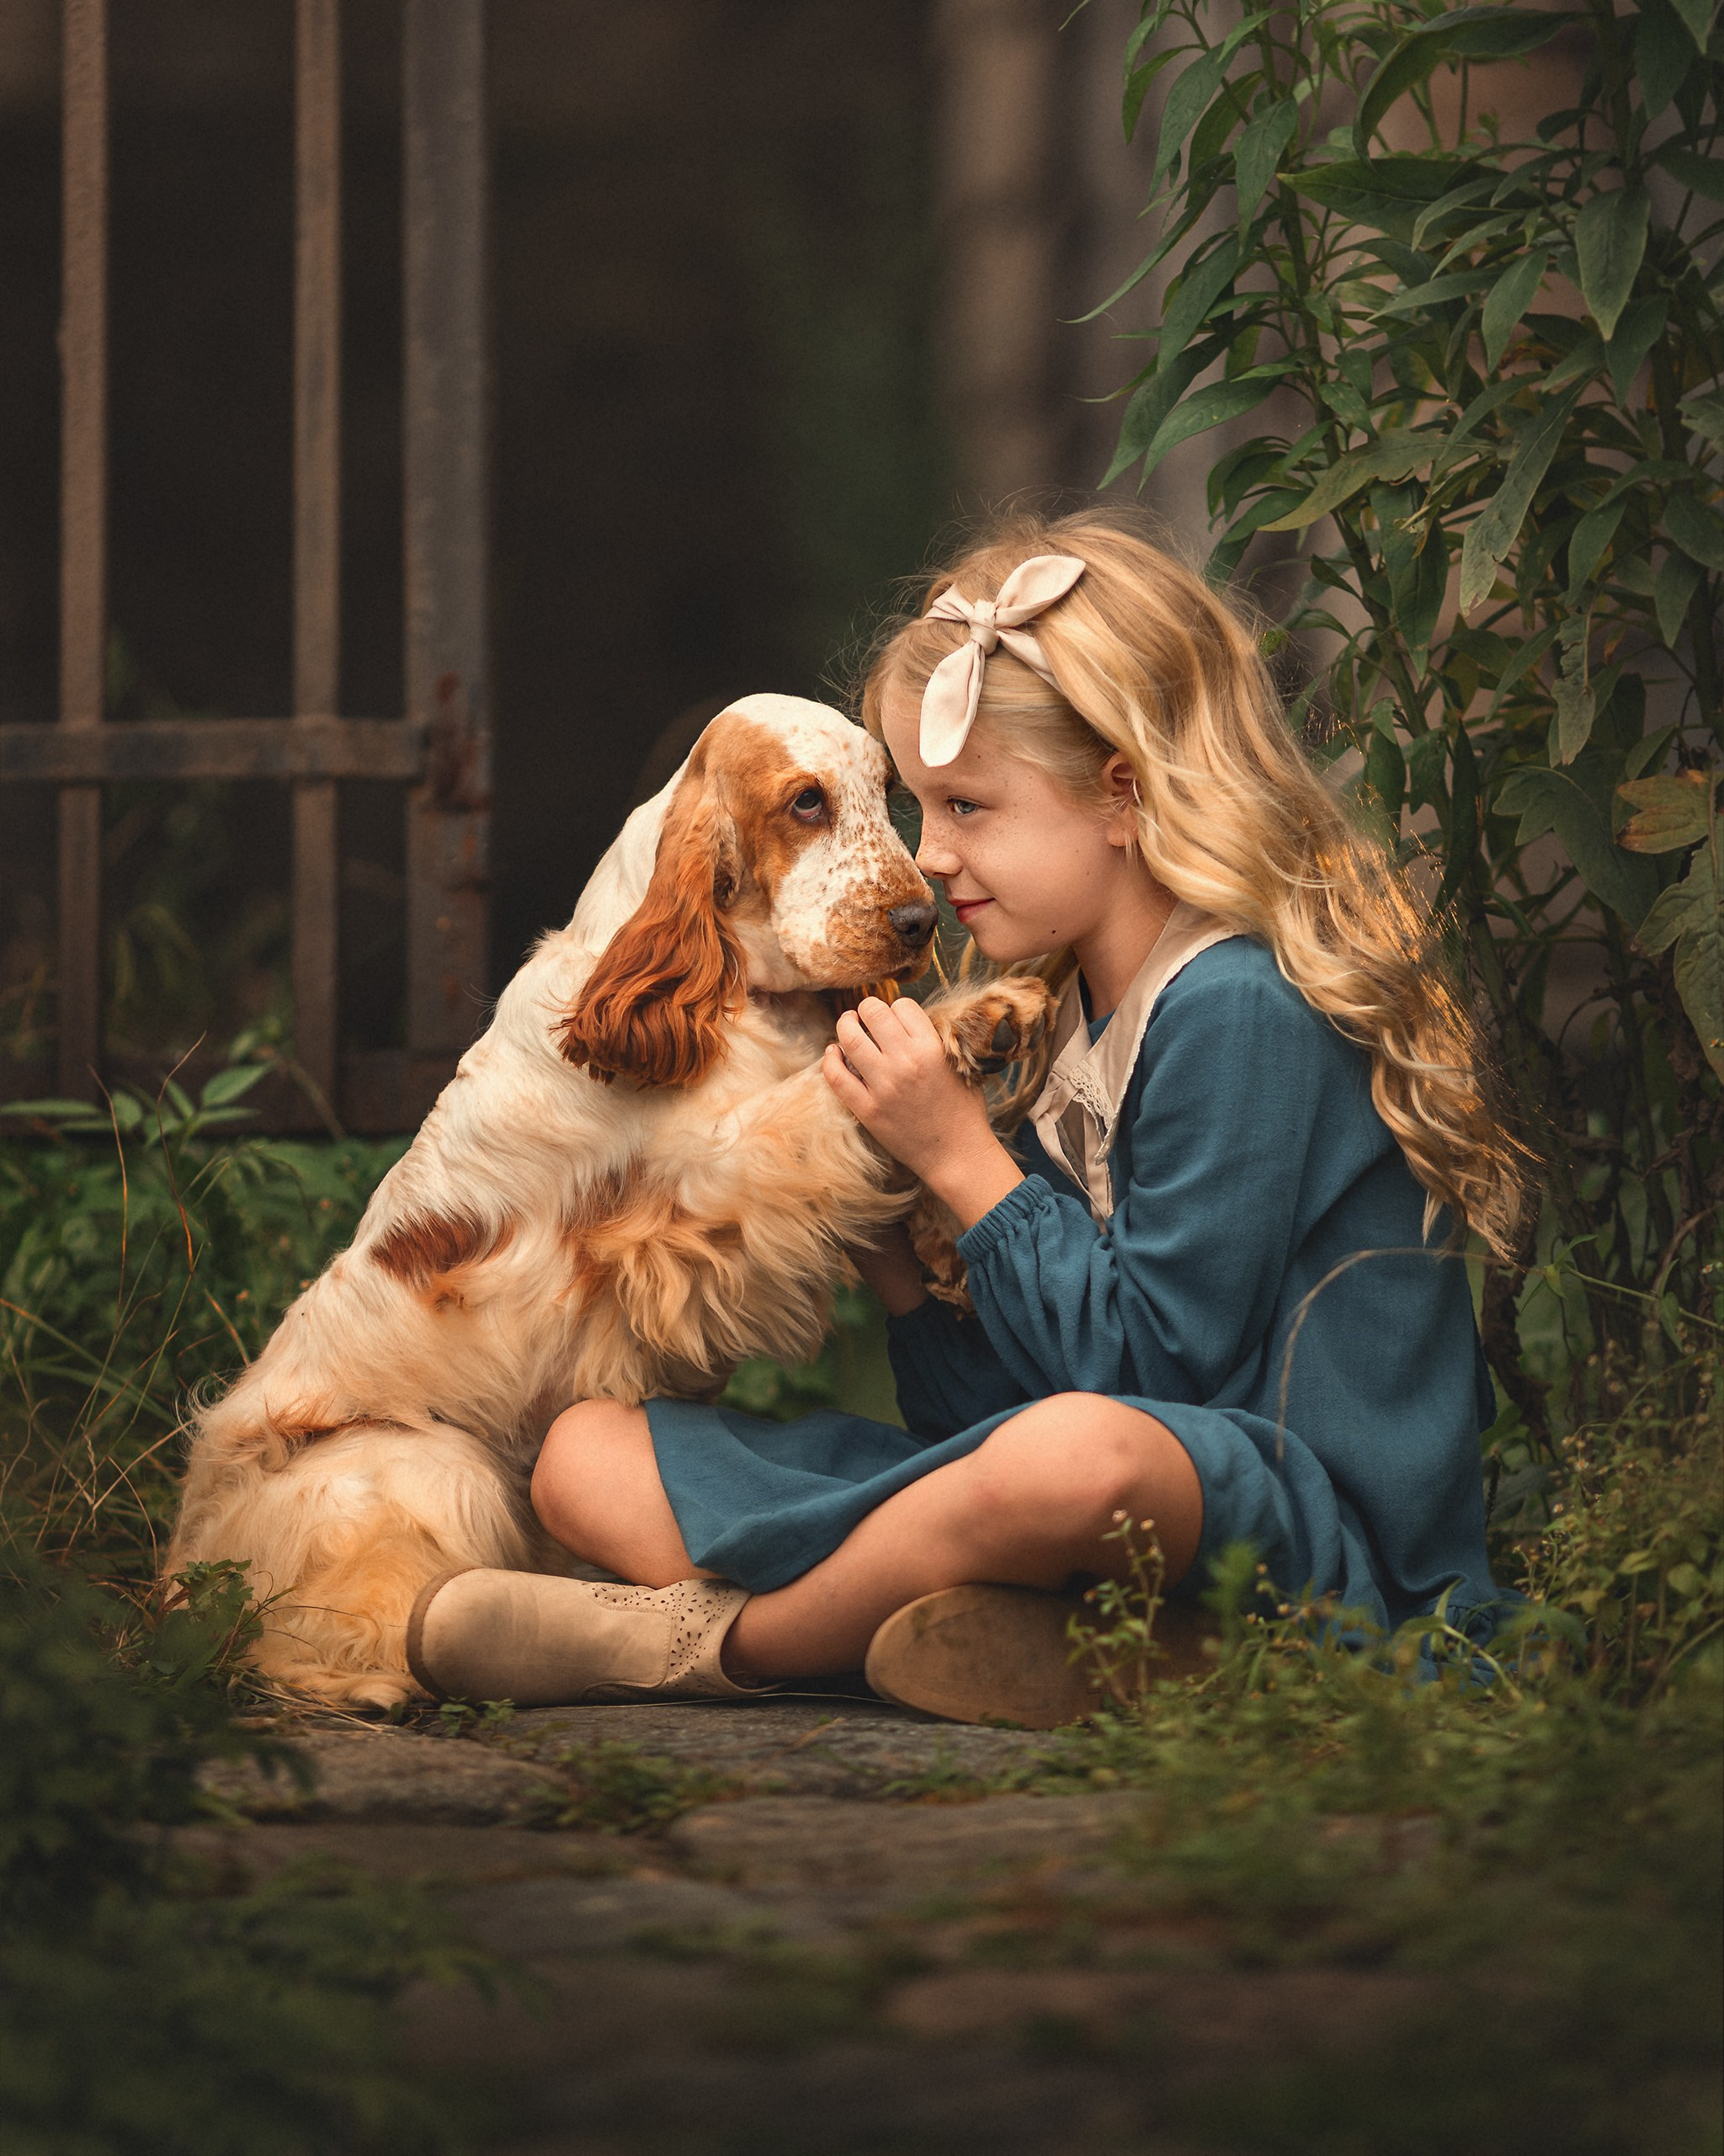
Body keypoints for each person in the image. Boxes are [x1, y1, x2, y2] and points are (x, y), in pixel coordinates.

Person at [407, 510, 1522, 1726]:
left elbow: (1150, 1379)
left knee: (1074, 1459)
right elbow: (981, 1416)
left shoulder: (1236, 1003)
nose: (926, 860)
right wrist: (893, 1233)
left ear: (1122, 795)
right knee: (586, 1453)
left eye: (967, 808)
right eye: (914, 811)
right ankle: (1108, 1649)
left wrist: (959, 1152)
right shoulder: (1060, 1012)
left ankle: (731, 1645)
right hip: (1098, 1502)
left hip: (1312, 1536)